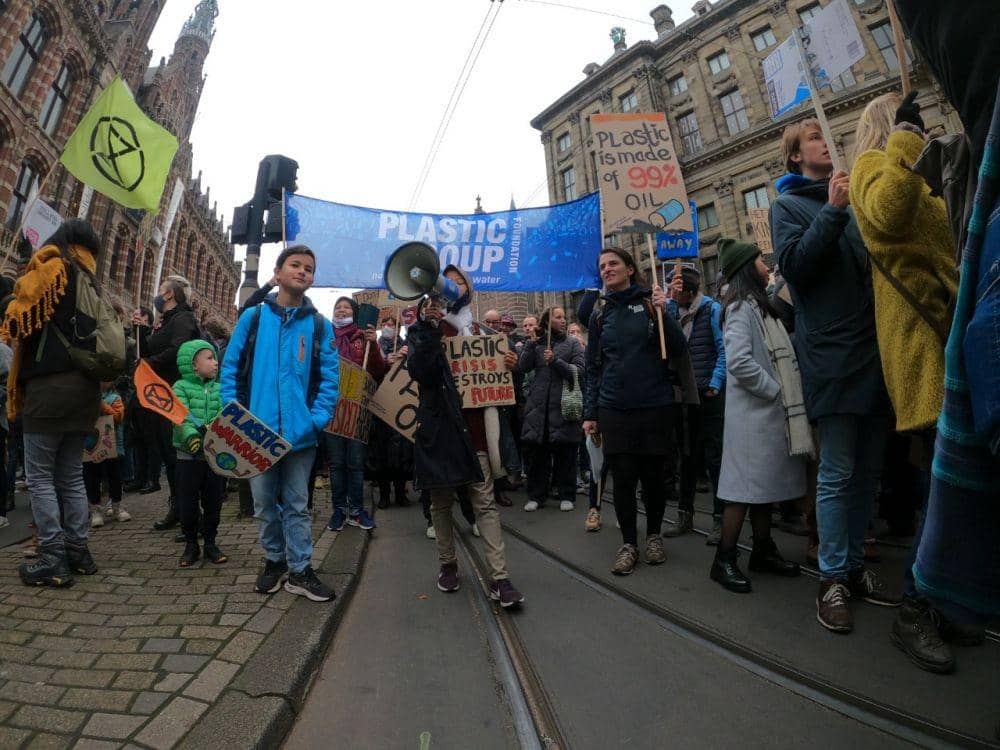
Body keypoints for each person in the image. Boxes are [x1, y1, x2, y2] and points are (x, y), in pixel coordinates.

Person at [772, 119, 898, 633]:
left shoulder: (850, 198)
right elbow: (796, 269)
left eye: (827, 136)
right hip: (832, 356)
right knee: (839, 470)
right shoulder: (789, 206)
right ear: (797, 157)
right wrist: (833, 210)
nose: (827, 140)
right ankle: (831, 577)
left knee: (868, 473)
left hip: (873, 351)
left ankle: (851, 566)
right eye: (815, 139)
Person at [850, 92, 960, 671]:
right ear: (889, 126)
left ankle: (945, 603)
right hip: (921, 340)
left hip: (950, 332)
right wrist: (904, 139)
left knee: (958, 482)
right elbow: (886, 217)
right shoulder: (875, 166)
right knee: (944, 489)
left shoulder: (916, 173)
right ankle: (916, 607)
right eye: (908, 118)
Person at [221, 245, 340, 602]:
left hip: (300, 438)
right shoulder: (253, 319)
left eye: (309, 268)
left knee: (298, 504)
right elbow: (230, 369)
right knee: (262, 503)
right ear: (278, 272)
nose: (303, 272)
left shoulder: (319, 326)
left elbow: (329, 380)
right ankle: (274, 560)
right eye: (296, 265)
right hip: (256, 435)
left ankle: (301, 570)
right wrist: (236, 417)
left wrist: (315, 421)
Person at [406, 265, 524, 607]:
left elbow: (496, 383)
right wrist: (428, 328)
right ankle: (448, 564)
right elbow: (420, 371)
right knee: (441, 503)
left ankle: (499, 578)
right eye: (448, 282)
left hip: (475, 429)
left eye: (460, 282)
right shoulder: (423, 329)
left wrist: (509, 365)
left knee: (484, 503)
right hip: (441, 428)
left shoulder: (481, 330)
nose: (454, 287)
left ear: (468, 289)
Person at [2, 219, 104, 586]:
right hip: (84, 394)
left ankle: (52, 555)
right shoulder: (92, 281)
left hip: (50, 391)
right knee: (71, 475)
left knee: (41, 477)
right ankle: (78, 551)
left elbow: (20, 317)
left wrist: (9, 298)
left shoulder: (55, 266)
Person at [710, 239, 807, 592]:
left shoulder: (759, 305)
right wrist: (776, 391)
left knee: (764, 487)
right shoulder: (739, 308)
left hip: (764, 417)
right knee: (742, 491)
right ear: (746, 269)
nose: (766, 266)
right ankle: (723, 559)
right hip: (753, 417)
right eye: (759, 261)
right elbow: (738, 363)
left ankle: (763, 550)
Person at [583, 249, 687, 575]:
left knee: (654, 479)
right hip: (614, 407)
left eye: (613, 263)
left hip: (655, 405)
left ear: (630, 268)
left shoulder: (649, 303)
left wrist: (663, 312)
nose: (606, 269)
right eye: (602, 266)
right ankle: (629, 543)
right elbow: (592, 368)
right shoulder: (599, 315)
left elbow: (678, 349)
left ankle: (653, 535)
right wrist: (591, 412)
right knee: (623, 480)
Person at [662, 263, 726, 542]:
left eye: (676, 291)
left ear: (689, 291)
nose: (672, 296)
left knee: (715, 458)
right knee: (685, 458)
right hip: (683, 396)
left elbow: (723, 349)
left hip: (708, 393)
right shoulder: (673, 312)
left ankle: (720, 520)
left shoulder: (712, 310)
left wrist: (715, 382)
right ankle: (684, 515)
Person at [133, 276, 201, 531]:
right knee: (166, 452)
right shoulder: (165, 322)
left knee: (177, 456)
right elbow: (147, 350)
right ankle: (177, 506)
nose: (158, 295)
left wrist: (151, 363)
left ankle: (190, 512)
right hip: (161, 396)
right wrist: (140, 330)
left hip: (176, 395)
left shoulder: (183, 319)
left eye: (162, 290)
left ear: (170, 295)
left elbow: (178, 349)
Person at [325, 296, 385, 532]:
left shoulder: (363, 338)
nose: (341, 311)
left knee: (356, 463)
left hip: (356, 410)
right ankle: (339, 510)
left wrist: (375, 346)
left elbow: (378, 370)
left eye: (346, 308)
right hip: (331, 409)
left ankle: (357, 510)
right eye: (337, 307)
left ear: (354, 312)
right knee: (336, 463)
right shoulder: (324, 336)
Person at [518, 307, 585, 512]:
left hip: (563, 407)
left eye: (564, 317)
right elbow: (523, 367)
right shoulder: (536, 344)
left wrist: (556, 361)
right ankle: (536, 495)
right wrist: (531, 343)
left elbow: (579, 372)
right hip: (539, 410)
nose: (563, 320)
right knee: (538, 456)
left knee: (566, 454)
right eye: (558, 317)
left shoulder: (572, 343)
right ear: (547, 321)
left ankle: (567, 494)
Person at [172, 340, 228, 567]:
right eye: (209, 358)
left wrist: (219, 430)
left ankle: (211, 543)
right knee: (187, 501)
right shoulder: (180, 387)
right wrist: (191, 436)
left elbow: (226, 413)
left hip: (214, 455)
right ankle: (191, 544)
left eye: (215, 358)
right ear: (193, 365)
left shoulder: (220, 388)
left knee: (213, 500)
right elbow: (179, 415)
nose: (215, 362)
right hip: (189, 455)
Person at [371, 315, 412, 509]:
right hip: (380, 401)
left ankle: (401, 491)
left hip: (401, 403)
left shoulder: (406, 345)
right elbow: (371, 369)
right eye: (386, 324)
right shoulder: (375, 346)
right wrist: (385, 361)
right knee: (382, 449)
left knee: (401, 451)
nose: (389, 327)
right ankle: (384, 494)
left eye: (393, 325)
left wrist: (406, 357)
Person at [84, 382, 129, 528]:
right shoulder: (84, 397)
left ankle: (116, 506)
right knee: (92, 477)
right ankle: (96, 509)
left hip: (111, 446)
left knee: (114, 476)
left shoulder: (115, 398)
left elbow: (118, 417)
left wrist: (102, 405)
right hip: (90, 446)